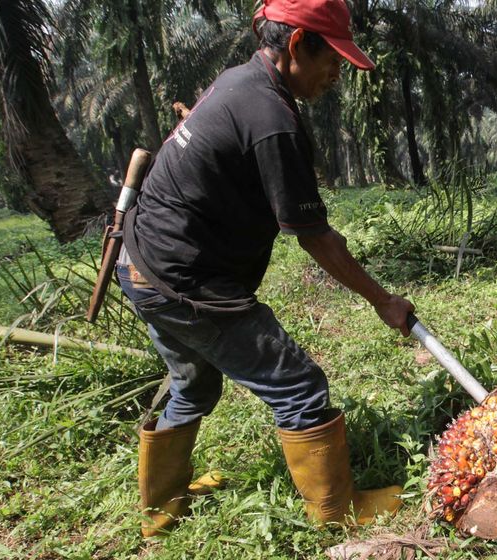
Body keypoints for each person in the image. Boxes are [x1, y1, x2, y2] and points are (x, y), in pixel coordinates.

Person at [115, 0, 414, 538]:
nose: (335, 76)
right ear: (298, 44)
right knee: (297, 384)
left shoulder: (241, 80)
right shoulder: (271, 118)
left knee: (193, 387)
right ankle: (337, 513)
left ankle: (161, 509)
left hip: (139, 262)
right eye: (333, 61)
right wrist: (383, 300)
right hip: (184, 279)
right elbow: (316, 238)